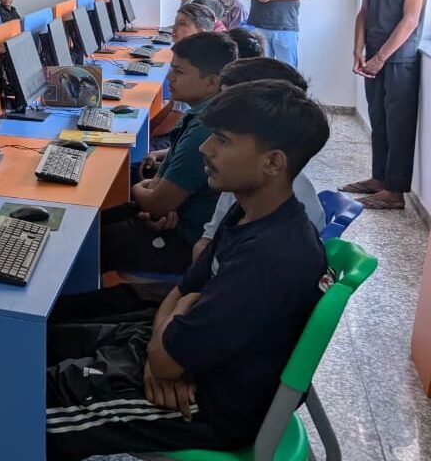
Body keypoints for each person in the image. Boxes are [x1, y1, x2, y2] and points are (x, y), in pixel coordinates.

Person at [45, 80, 329, 460]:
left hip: (204, 405)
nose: (204, 148)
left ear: (273, 163)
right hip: (185, 362)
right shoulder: (249, 213)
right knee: (42, 341)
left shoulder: (270, 257)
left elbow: (168, 357)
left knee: (20, 408)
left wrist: (164, 351)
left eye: (223, 140)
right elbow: (183, 292)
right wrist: (168, 335)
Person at [100, 32, 237, 274]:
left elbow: (157, 205)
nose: (170, 77)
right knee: (98, 218)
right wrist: (153, 193)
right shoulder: (204, 114)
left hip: (184, 243)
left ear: (211, 82)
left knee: (91, 243)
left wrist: (139, 189)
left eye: (179, 72)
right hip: (174, 220)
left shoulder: (204, 128)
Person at [343, 0, 428, 211]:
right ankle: (379, 179)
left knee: (398, 125)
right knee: (378, 119)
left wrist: (380, 58)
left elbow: (410, 20)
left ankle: (394, 191)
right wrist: (358, 50)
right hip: (372, 55)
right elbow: (364, 12)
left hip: (399, 60)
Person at [196, 58, 325, 260]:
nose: (204, 148)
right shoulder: (246, 197)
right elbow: (208, 242)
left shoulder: (273, 246)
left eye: (223, 139)